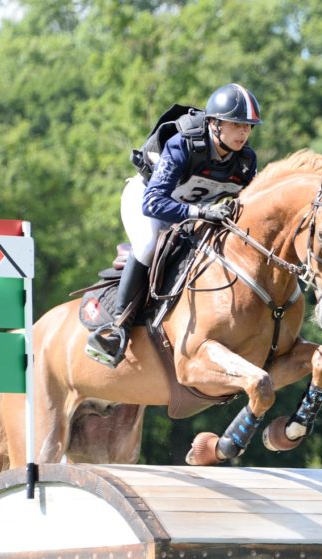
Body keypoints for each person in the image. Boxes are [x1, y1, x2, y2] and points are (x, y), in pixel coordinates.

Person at [85, 83, 262, 367]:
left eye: (249, 127)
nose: (244, 133)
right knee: (147, 244)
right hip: (147, 200)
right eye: (237, 124)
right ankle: (117, 328)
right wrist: (202, 212)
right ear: (215, 123)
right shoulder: (184, 145)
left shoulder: (245, 161)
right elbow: (153, 203)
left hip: (191, 216)